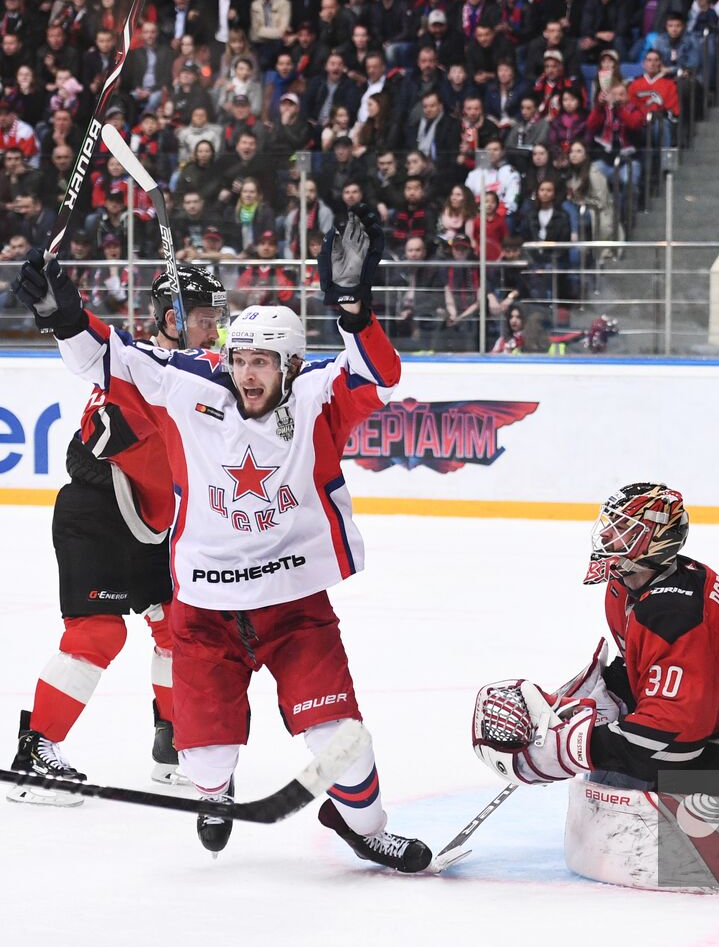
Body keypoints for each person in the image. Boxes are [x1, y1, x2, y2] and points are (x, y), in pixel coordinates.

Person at [16, 204, 432, 871]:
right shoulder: (191, 386)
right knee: (204, 763)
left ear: (291, 365)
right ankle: (215, 785)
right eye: (240, 358)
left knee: (343, 741)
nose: (247, 373)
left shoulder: (320, 394)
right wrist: (62, 314)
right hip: (206, 611)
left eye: (263, 361)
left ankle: (365, 828)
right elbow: (105, 359)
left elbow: (379, 373)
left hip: (296, 608)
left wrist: (352, 309)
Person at [471, 483, 719, 904]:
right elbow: (648, 674)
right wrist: (585, 701)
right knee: (611, 770)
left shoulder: (673, 611)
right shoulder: (628, 587)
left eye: (625, 530)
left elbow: (677, 741)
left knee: (623, 775)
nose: (609, 538)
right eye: (610, 527)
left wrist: (572, 748)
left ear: (659, 539)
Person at [7, 265, 229, 804]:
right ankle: (34, 752)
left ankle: (171, 748)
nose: (218, 331)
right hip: (99, 512)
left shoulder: (193, 365)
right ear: (175, 319)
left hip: (152, 521)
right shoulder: (142, 366)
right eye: (207, 320)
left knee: (178, 630)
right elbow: (95, 347)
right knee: (98, 635)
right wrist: (62, 316)